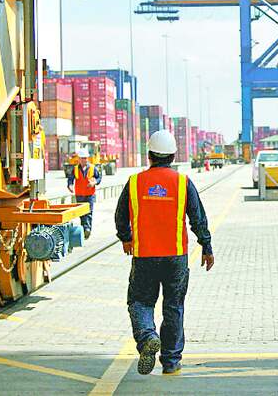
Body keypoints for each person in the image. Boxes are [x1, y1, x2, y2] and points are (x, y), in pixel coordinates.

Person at [114, 130, 214, 376]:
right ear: (173, 156)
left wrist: (126, 238)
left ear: (149, 155)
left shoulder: (134, 182)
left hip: (144, 256)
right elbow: (198, 218)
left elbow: (120, 215)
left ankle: (147, 336)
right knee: (173, 306)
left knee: (140, 302)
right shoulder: (183, 183)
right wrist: (206, 246)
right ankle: (170, 362)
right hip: (175, 257)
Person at [67, 148, 101, 238]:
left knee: (89, 212)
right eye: (82, 158)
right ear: (79, 159)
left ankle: (87, 229)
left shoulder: (93, 168)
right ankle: (84, 229)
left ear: (87, 158)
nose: (84, 160)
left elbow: (99, 178)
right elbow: (70, 179)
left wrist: (94, 182)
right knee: (82, 213)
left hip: (90, 194)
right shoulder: (75, 169)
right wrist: (70, 186)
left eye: (85, 158)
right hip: (79, 194)